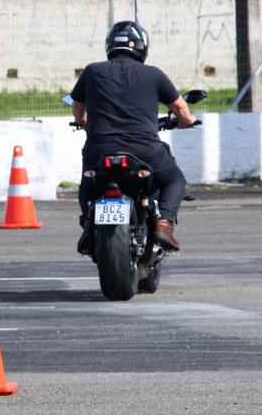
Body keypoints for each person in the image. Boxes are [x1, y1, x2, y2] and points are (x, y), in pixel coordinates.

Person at [70, 20, 197, 253]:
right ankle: (163, 223)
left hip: (99, 149)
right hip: (144, 150)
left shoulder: (92, 71)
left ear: (109, 45)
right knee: (174, 180)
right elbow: (180, 108)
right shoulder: (153, 74)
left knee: (89, 180)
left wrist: (82, 121)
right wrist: (186, 122)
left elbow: (77, 104)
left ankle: (89, 223)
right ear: (142, 47)